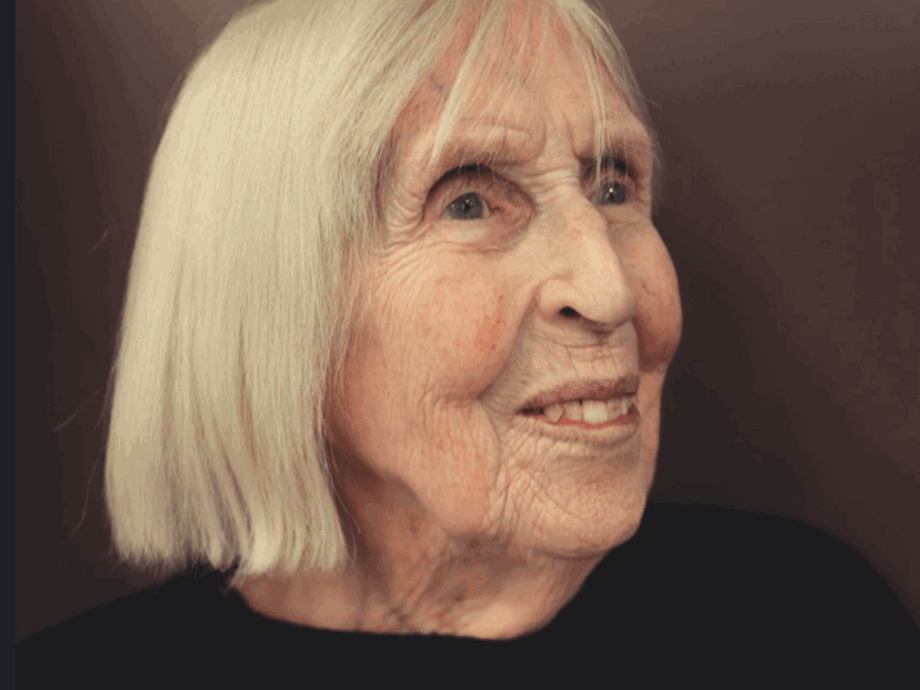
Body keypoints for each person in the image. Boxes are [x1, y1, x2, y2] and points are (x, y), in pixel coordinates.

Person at [16, 0, 918, 685]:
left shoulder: (813, 624)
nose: (609, 289)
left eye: (611, 186)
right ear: (268, 313)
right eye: (471, 201)